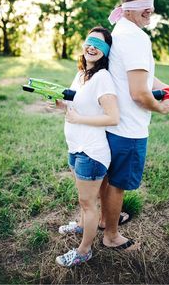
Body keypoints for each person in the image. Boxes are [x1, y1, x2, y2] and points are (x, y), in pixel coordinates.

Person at [99, 0, 169, 251]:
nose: (149, 10)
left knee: (108, 178)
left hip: (113, 123)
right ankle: (111, 236)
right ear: (128, 7)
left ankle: (107, 219)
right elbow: (140, 94)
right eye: (143, 5)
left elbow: (143, 77)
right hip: (129, 128)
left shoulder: (120, 30)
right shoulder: (137, 38)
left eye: (151, 4)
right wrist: (161, 106)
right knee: (118, 183)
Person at [55, 26, 119, 267]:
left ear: (105, 52)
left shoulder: (102, 78)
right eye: (90, 41)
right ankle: (81, 225)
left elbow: (113, 117)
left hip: (91, 152)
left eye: (99, 45)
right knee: (84, 200)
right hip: (76, 146)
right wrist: (62, 106)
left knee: (87, 204)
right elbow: (78, 105)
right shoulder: (82, 73)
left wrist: (78, 119)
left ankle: (84, 250)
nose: (92, 47)